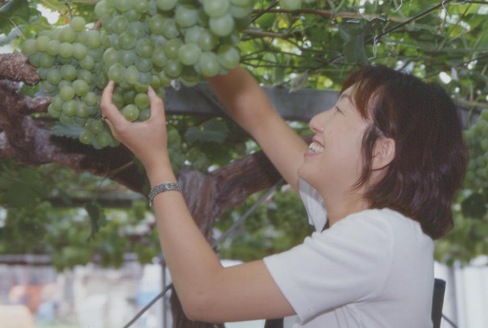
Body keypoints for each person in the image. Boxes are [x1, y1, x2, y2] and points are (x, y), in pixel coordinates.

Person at [100, 64, 467, 328]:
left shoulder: (377, 237)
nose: (316, 122)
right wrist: (204, 49)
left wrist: (157, 163)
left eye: (339, 111)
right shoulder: (348, 216)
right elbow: (260, 117)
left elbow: (204, 295)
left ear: (380, 153)